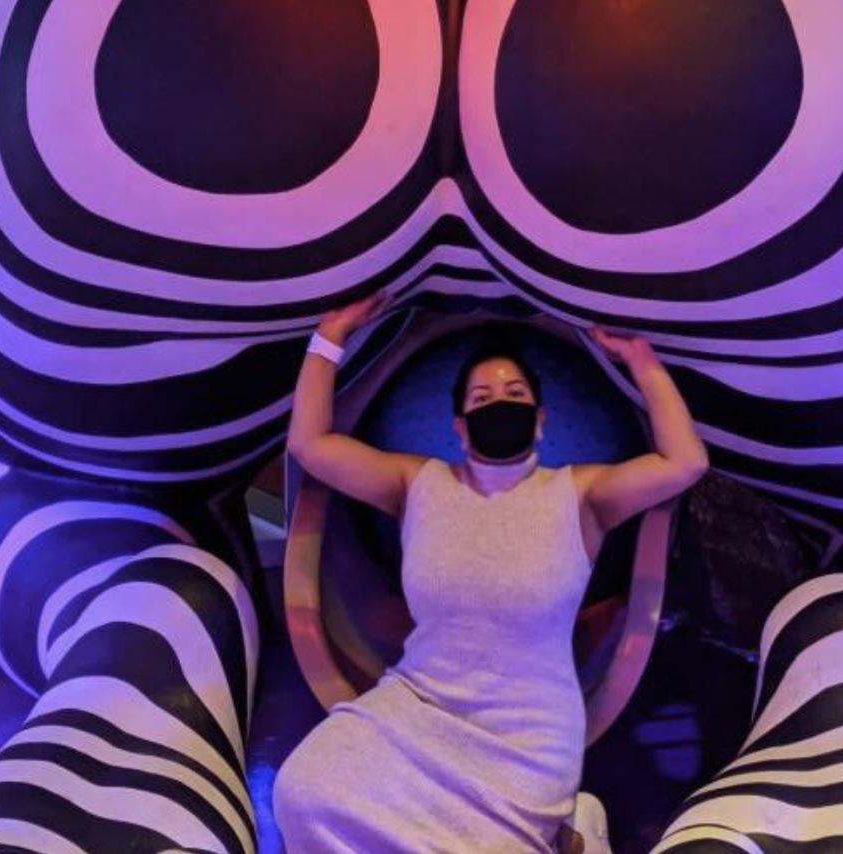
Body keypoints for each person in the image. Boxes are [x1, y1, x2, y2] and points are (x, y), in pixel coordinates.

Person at [274, 292, 709, 854]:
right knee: (304, 793)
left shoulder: (581, 495)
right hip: (417, 708)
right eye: (483, 397)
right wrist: (329, 337)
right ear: (460, 426)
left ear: (541, 419)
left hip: (525, 739)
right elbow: (310, 445)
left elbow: (686, 462)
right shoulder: (417, 484)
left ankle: (575, 821)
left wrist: (641, 360)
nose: (500, 404)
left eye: (515, 394)